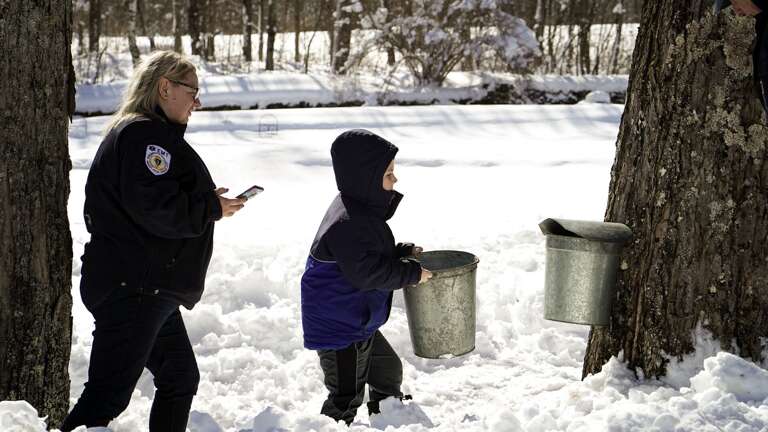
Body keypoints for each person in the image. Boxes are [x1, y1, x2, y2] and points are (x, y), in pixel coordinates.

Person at [61, 51, 245, 432]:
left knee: (179, 376)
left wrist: (204, 201)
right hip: (137, 287)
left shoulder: (145, 135)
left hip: (147, 286)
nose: (198, 102)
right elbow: (154, 209)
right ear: (165, 87)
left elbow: (151, 200)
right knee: (106, 397)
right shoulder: (145, 136)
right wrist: (209, 206)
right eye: (193, 91)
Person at [300, 129, 433, 425]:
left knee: (387, 373)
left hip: (357, 321)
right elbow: (366, 273)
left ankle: (389, 420)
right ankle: (329, 427)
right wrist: (410, 273)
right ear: (366, 179)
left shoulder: (360, 212)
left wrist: (401, 252)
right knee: (346, 396)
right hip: (340, 330)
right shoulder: (349, 222)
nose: (395, 180)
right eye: (388, 174)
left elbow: (367, 257)